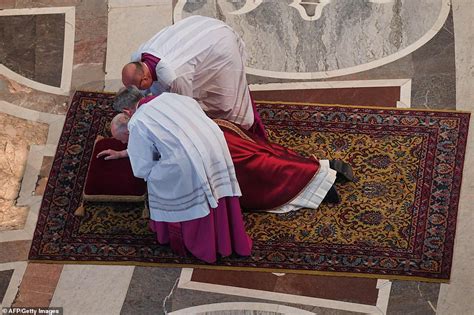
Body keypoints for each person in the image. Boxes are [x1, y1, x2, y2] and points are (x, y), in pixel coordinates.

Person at [99, 87, 354, 213]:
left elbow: (152, 150)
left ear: (128, 112)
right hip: (219, 130)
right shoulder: (163, 96)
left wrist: (132, 154)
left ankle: (320, 184)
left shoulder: (141, 121)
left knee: (260, 169)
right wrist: (123, 153)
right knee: (266, 153)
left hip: (210, 148)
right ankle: (325, 166)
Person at [103, 92, 252, 263]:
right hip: (213, 141)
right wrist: (125, 152)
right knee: (217, 189)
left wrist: (148, 166)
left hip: (187, 159)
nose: (124, 143)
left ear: (127, 111)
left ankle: (204, 244)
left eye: (123, 140)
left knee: (156, 180)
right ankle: (228, 239)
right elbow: (172, 133)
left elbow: (142, 167)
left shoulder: (137, 121)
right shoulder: (169, 96)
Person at [120, 15, 266, 139]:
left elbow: (186, 110)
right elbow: (146, 91)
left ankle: (243, 135)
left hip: (219, 45)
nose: (139, 91)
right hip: (198, 33)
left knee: (226, 104)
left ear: (145, 79)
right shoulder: (139, 58)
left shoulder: (175, 77)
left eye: (139, 86)